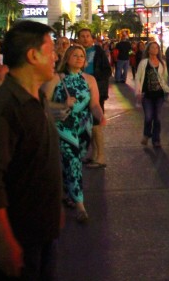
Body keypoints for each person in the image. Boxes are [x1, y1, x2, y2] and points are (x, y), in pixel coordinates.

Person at [0, 21, 62, 279]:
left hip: (41, 230)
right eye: (51, 50)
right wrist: (5, 240)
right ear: (33, 55)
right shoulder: (3, 107)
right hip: (20, 238)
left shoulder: (38, 98)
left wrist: (53, 210)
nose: (56, 57)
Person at [42, 45, 106, 223]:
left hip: (84, 126)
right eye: (75, 55)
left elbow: (94, 104)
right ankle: (80, 205)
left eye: (82, 56)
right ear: (67, 58)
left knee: (72, 161)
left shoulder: (89, 79)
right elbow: (43, 102)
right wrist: (63, 104)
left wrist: (100, 116)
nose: (79, 58)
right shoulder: (56, 78)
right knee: (73, 162)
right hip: (64, 125)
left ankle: (67, 192)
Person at [77, 28, 112, 168]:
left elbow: (107, 71)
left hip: (96, 92)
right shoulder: (78, 52)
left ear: (92, 38)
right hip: (81, 92)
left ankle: (101, 157)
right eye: (82, 36)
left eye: (87, 36)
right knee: (89, 125)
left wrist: (93, 80)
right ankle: (94, 154)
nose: (85, 38)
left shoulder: (98, 51)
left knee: (96, 124)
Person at [134, 41, 169, 148]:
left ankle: (156, 139)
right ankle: (146, 134)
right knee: (149, 116)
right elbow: (138, 77)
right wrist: (138, 91)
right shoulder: (144, 63)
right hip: (147, 95)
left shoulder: (162, 63)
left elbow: (165, 78)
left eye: (156, 48)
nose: (155, 49)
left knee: (157, 117)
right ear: (148, 50)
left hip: (159, 94)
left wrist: (168, 89)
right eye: (152, 47)